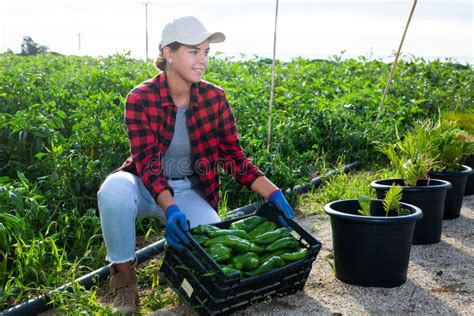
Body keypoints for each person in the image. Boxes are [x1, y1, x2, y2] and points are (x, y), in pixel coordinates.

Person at [97, 16, 294, 314]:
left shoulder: (215, 98)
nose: (202, 61)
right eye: (193, 51)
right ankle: (124, 281)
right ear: (168, 53)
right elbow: (148, 163)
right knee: (113, 192)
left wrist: (273, 193)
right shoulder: (140, 98)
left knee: (216, 251)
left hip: (189, 189)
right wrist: (170, 208)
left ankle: (177, 263)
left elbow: (233, 156)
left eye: (206, 52)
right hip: (143, 185)